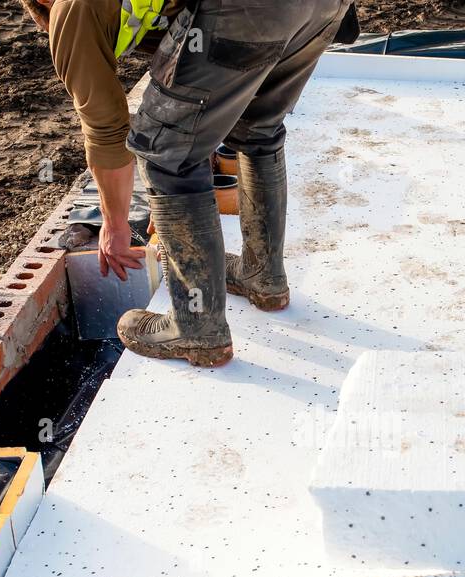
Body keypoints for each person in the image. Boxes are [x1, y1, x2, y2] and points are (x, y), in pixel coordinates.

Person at [24, 0, 356, 367]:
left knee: (163, 148)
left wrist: (116, 223)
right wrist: (168, 208)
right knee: (256, 126)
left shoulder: (70, 11)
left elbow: (107, 132)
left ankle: (197, 328)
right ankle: (263, 276)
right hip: (320, 9)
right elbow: (208, 87)